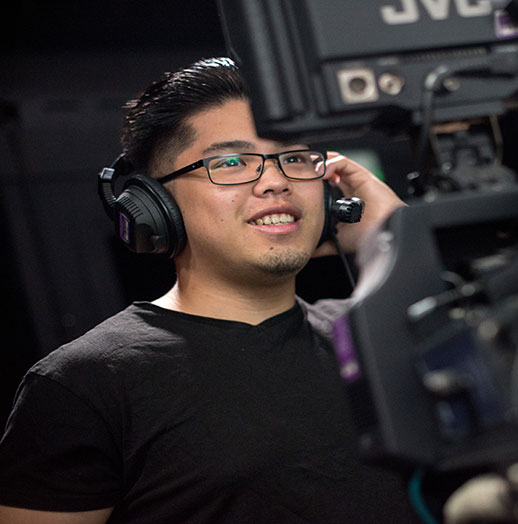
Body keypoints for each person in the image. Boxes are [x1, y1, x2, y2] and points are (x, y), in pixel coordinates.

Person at [0, 57, 419, 523]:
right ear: (154, 206)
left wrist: (398, 240)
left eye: (295, 158)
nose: (277, 181)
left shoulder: (376, 336)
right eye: (233, 162)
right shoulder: (82, 384)